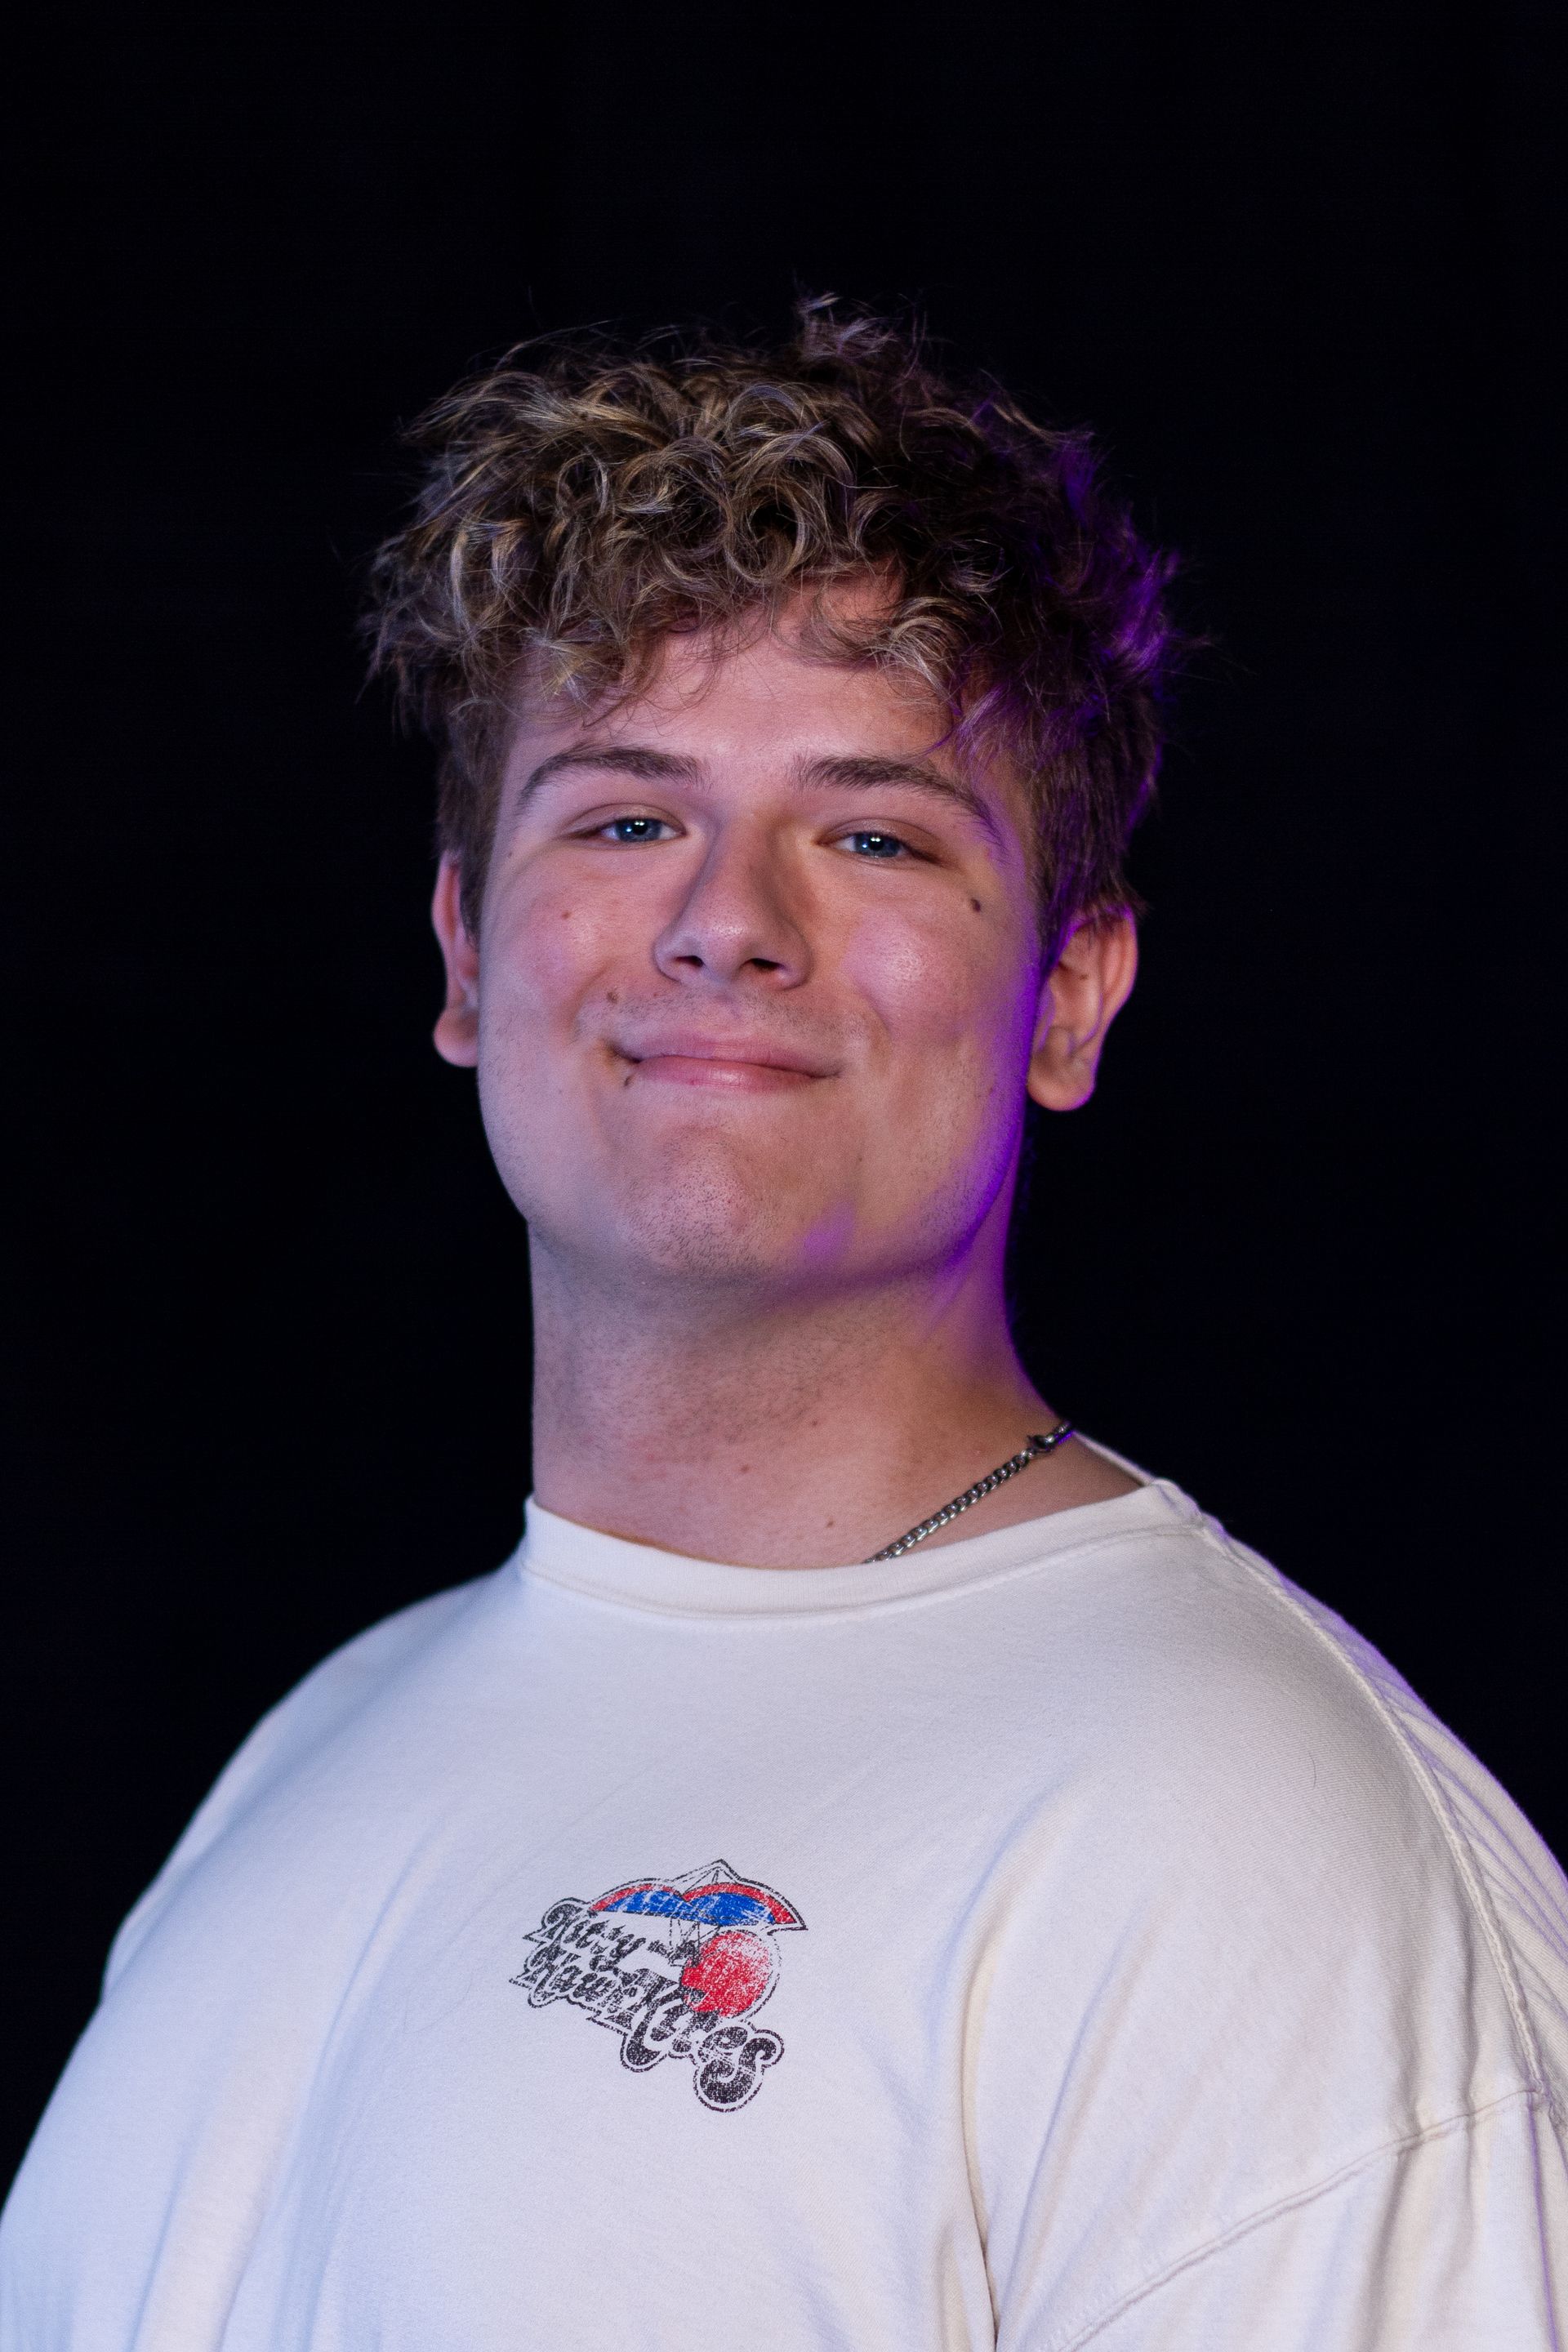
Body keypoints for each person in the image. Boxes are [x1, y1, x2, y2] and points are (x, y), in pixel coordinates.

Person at [3, 301, 1565, 2350]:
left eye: (874, 834)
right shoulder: (320, 1744)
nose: (728, 918)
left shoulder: (1243, 1840)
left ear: (1074, 994)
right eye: (629, 815)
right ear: (471, 953)